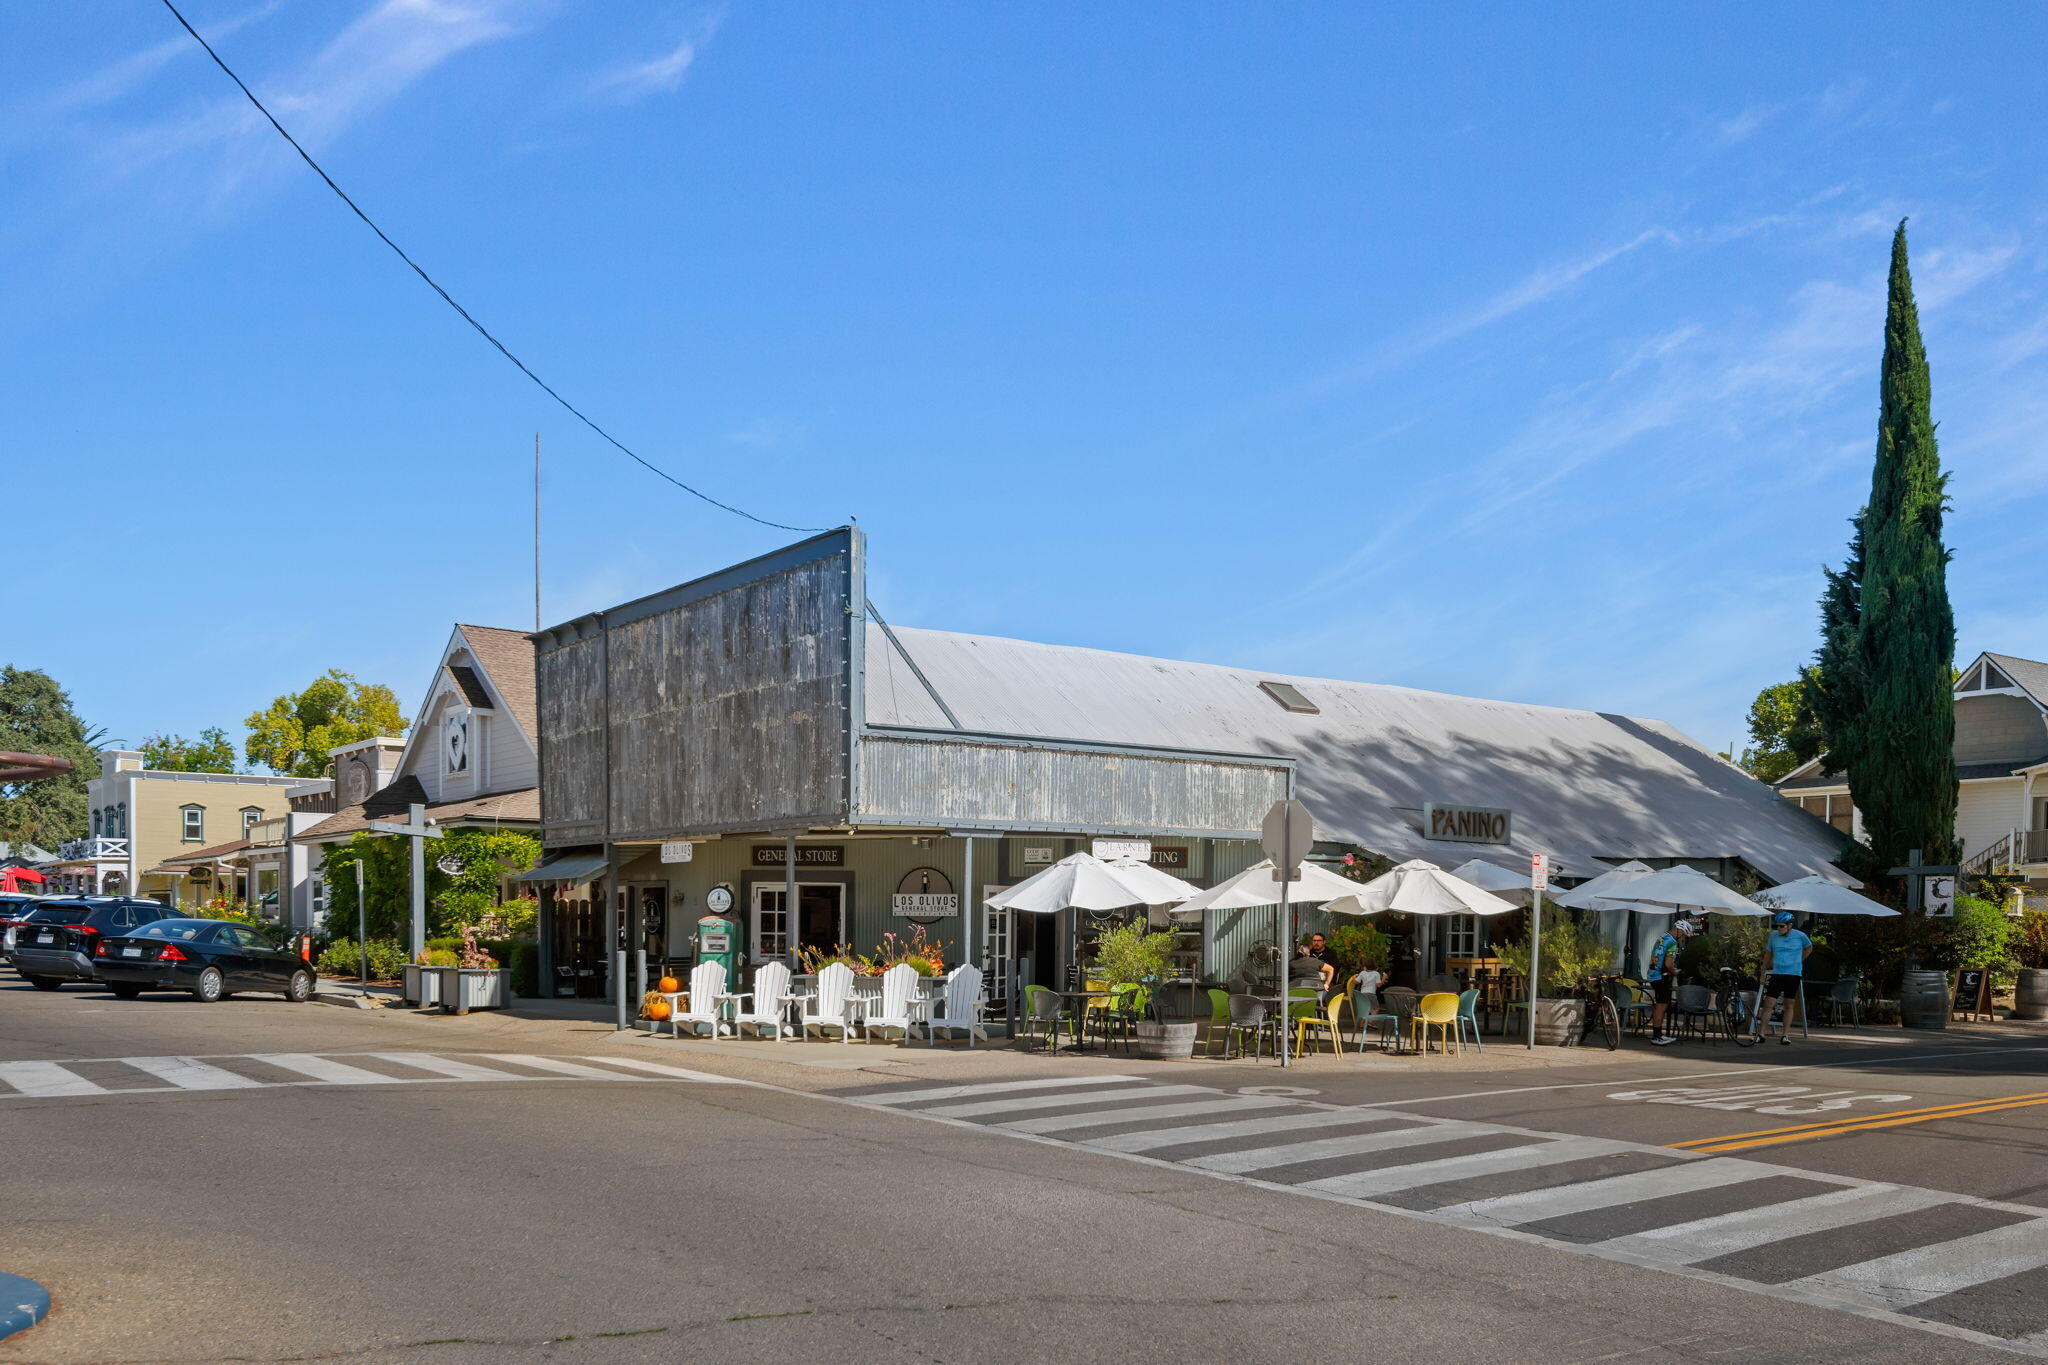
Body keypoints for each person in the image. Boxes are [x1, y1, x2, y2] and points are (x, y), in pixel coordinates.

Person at [1757, 911, 1814, 1045]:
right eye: (1777, 926)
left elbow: (1809, 947)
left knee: (1789, 1004)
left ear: (1789, 925)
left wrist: (1800, 960)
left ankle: (1785, 1035)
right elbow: (1768, 954)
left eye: (1782, 926)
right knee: (1769, 1003)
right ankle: (1761, 1034)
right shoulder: (1773, 936)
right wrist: (1762, 972)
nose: (1779, 928)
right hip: (1777, 973)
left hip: (1793, 974)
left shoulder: (1800, 936)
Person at [1646, 917, 1696, 1046]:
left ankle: (1659, 1035)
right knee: (1661, 1007)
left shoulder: (1663, 937)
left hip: (1653, 974)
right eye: (1684, 936)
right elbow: (1669, 964)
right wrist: (1676, 972)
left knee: (1660, 1005)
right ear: (1679, 931)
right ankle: (1656, 1036)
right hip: (1661, 977)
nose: (1684, 939)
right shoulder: (1672, 943)